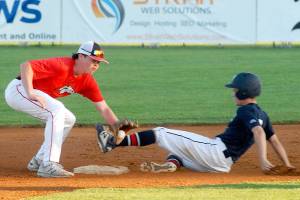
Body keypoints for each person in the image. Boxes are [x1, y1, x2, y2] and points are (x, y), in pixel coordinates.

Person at [96, 72, 295, 174]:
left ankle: (114, 143)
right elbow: (274, 141)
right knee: (179, 152)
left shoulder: (246, 110)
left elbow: (258, 133)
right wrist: (287, 165)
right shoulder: (263, 114)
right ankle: (170, 166)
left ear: (243, 92)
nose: (232, 92)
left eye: (235, 90)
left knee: (161, 133)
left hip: (215, 151)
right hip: (222, 165)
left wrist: (262, 161)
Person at [4, 41, 120, 177]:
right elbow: (26, 66)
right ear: (81, 56)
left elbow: (103, 108)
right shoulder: (63, 65)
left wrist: (119, 128)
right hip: (19, 89)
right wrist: (30, 92)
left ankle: (39, 160)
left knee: (68, 119)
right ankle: (49, 164)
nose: (95, 65)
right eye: (93, 60)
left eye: (98, 62)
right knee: (57, 110)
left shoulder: (87, 81)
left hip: (32, 93)